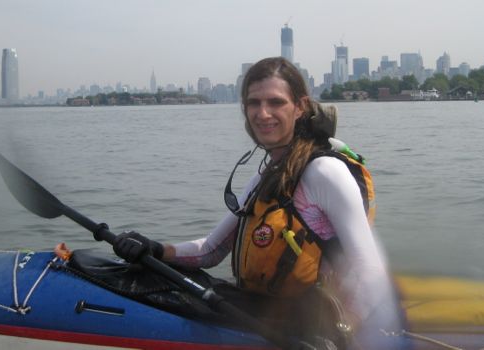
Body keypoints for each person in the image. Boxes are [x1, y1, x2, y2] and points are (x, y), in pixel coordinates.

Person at [108, 57, 406, 349]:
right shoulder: (269, 173)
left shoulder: (324, 173)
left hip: (314, 330)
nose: (263, 113)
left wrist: (340, 334)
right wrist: (154, 249)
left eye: (276, 102)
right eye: (254, 103)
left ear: (300, 106)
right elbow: (211, 251)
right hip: (268, 318)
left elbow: (371, 273)